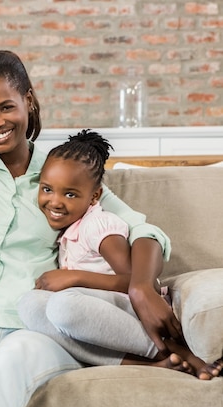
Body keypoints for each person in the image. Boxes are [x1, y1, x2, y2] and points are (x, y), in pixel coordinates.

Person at [0, 50, 175, 407]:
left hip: (38, 327)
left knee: (5, 370)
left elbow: (145, 231)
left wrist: (140, 285)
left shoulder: (63, 175)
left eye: (5, 107)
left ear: (28, 100)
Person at [18, 129, 223, 380]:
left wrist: (72, 278)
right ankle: (149, 365)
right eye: (47, 189)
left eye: (70, 194)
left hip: (129, 311)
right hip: (97, 318)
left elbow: (133, 280)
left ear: (94, 196)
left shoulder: (98, 226)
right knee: (29, 306)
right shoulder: (69, 230)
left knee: (63, 306)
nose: (55, 202)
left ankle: (173, 350)